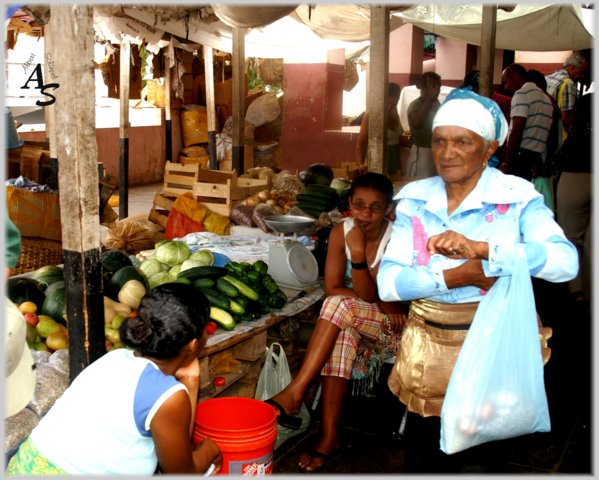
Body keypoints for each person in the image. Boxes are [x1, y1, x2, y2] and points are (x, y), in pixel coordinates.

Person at [377, 88, 578, 473]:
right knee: (425, 452)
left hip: (493, 343)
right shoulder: (416, 201)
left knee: (482, 453)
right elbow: (389, 284)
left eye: (462, 142)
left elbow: (564, 262)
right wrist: (459, 276)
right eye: (439, 141)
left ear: (487, 150)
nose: (447, 152)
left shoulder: (515, 198)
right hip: (430, 349)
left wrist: (485, 250)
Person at [265, 172, 407, 473]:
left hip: (392, 332)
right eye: (359, 205)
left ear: (388, 209)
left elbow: (366, 294)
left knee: (338, 307)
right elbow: (334, 287)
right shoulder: (341, 230)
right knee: (340, 324)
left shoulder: (397, 238)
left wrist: (356, 255)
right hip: (357, 318)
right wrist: (375, 297)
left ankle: (296, 391)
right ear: (349, 205)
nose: (366, 214)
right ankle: (330, 437)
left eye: (375, 207)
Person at [7, 283, 223, 476]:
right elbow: (181, 472)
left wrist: (190, 380)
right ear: (193, 344)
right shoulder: (168, 397)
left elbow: (177, 449)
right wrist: (211, 448)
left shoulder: (116, 357)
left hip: (24, 465)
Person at [555, 92, 593, 306]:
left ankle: (576, 290)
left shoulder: (579, 130)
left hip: (574, 180)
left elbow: (561, 157)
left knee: (572, 238)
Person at [502, 63, 553, 182]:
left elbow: (517, 130)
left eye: (506, 82)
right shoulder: (546, 99)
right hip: (537, 159)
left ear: (515, 76)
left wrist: (506, 163)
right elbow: (550, 133)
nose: (506, 87)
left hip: (521, 157)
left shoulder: (521, 94)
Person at [355, 82, 403, 179]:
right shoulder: (372, 113)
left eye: (394, 103)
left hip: (394, 157)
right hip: (378, 157)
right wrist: (360, 164)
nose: (390, 106)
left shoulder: (395, 112)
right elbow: (361, 143)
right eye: (388, 103)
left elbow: (396, 136)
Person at [545, 52, 590, 141]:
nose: (583, 76)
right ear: (573, 67)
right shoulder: (568, 84)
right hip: (559, 138)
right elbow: (566, 120)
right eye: (582, 72)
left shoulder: (547, 78)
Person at [406, 72, 441, 178]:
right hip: (421, 155)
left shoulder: (436, 104)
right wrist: (429, 98)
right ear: (424, 88)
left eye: (439, 86)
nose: (438, 90)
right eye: (434, 86)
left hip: (436, 153)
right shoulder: (416, 105)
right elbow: (417, 123)